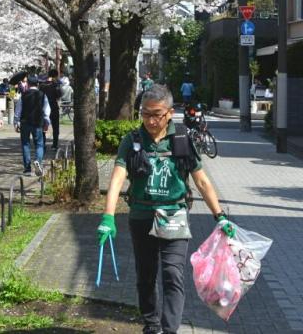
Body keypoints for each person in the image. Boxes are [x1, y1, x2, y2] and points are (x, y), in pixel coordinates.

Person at [98, 85, 234, 334]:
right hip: (141, 216)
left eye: (157, 114)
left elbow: (202, 181)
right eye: (146, 114)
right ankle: (151, 325)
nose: (150, 120)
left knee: (173, 275)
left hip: (174, 216)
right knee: (145, 276)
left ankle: (169, 329)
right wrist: (108, 216)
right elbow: (118, 178)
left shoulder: (182, 139)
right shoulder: (132, 141)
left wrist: (220, 217)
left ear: (170, 113)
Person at [14, 76, 51, 176]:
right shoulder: (42, 95)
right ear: (37, 84)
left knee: (25, 144)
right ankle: (38, 161)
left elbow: (18, 110)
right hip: (37, 122)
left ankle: (27, 169)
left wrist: (16, 122)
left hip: (25, 122)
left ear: (28, 84)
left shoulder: (24, 95)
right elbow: (46, 109)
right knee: (39, 144)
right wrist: (47, 122)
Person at [41, 69, 61, 150]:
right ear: (56, 76)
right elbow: (59, 95)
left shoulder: (42, 85)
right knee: (55, 127)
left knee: (43, 126)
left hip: (44, 108)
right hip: (53, 107)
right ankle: (55, 145)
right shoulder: (55, 85)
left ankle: (43, 144)